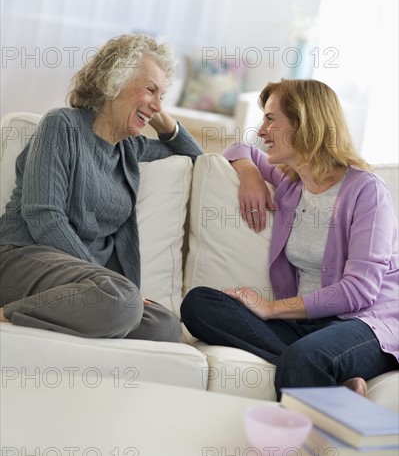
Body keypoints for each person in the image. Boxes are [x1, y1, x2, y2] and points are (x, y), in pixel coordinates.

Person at [181, 79, 398, 399]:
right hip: (307, 326)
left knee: (302, 360)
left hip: (366, 325)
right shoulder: (291, 182)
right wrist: (249, 172)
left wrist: (271, 308)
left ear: (305, 123)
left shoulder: (367, 191)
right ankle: (333, 382)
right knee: (199, 304)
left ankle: (310, 411)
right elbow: (239, 149)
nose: (262, 130)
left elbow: (359, 291)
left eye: (271, 119)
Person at [0, 34, 202, 341]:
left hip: (90, 283)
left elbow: (194, 158)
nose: (158, 103)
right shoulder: (62, 125)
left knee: (164, 326)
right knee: (120, 299)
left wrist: (162, 119)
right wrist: (105, 281)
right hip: (26, 257)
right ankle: (7, 314)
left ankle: (78, 312)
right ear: (114, 80)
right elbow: (43, 215)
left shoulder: (129, 148)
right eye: (150, 89)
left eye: (162, 95)